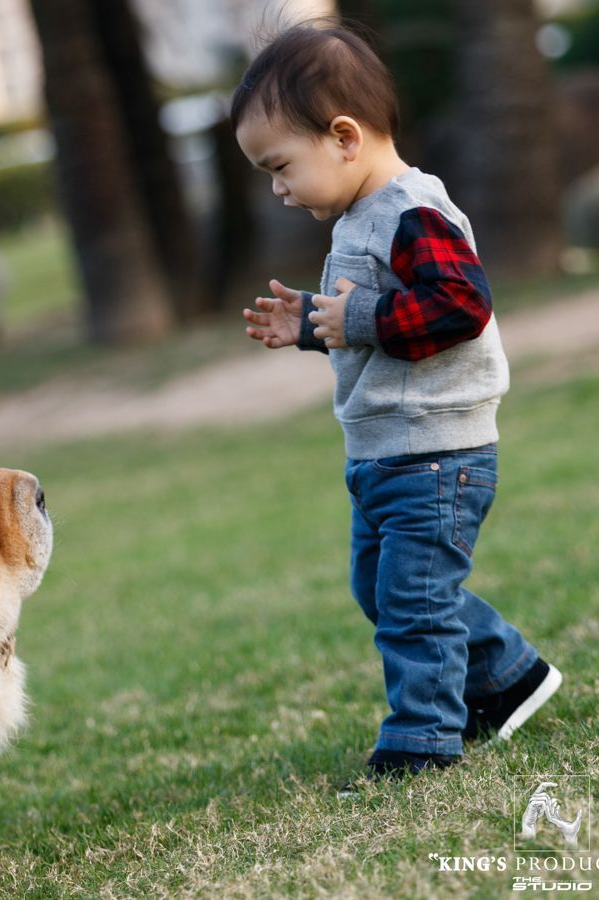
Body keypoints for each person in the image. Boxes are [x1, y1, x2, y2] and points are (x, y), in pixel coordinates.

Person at [231, 22, 562, 786]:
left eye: (280, 166)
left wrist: (355, 320)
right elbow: (379, 318)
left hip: (437, 454)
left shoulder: (415, 210)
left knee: (411, 603)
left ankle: (422, 741)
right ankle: (509, 674)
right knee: (384, 589)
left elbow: (459, 305)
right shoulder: (361, 216)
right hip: (388, 453)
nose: (277, 188)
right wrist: (317, 323)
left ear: (344, 137)